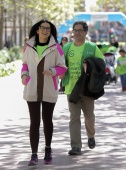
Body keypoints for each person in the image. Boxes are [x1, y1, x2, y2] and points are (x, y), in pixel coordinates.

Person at [21, 19, 67, 166]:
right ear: (37, 30)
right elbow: (25, 64)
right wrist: (24, 75)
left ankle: (48, 149)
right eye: (43, 28)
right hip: (32, 88)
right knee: (34, 122)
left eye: (48, 28)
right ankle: (33, 154)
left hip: (48, 87)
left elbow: (62, 68)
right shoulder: (28, 46)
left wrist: (53, 71)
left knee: (47, 120)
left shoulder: (56, 48)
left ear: (50, 31)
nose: (45, 31)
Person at [60, 21, 105, 155]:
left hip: (87, 89)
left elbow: (102, 64)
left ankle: (91, 136)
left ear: (85, 32)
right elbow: (60, 63)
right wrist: (60, 72)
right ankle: (75, 146)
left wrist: (90, 64)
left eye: (80, 30)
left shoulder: (92, 47)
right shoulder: (67, 47)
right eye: (75, 30)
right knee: (74, 117)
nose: (77, 33)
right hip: (71, 88)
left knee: (89, 116)